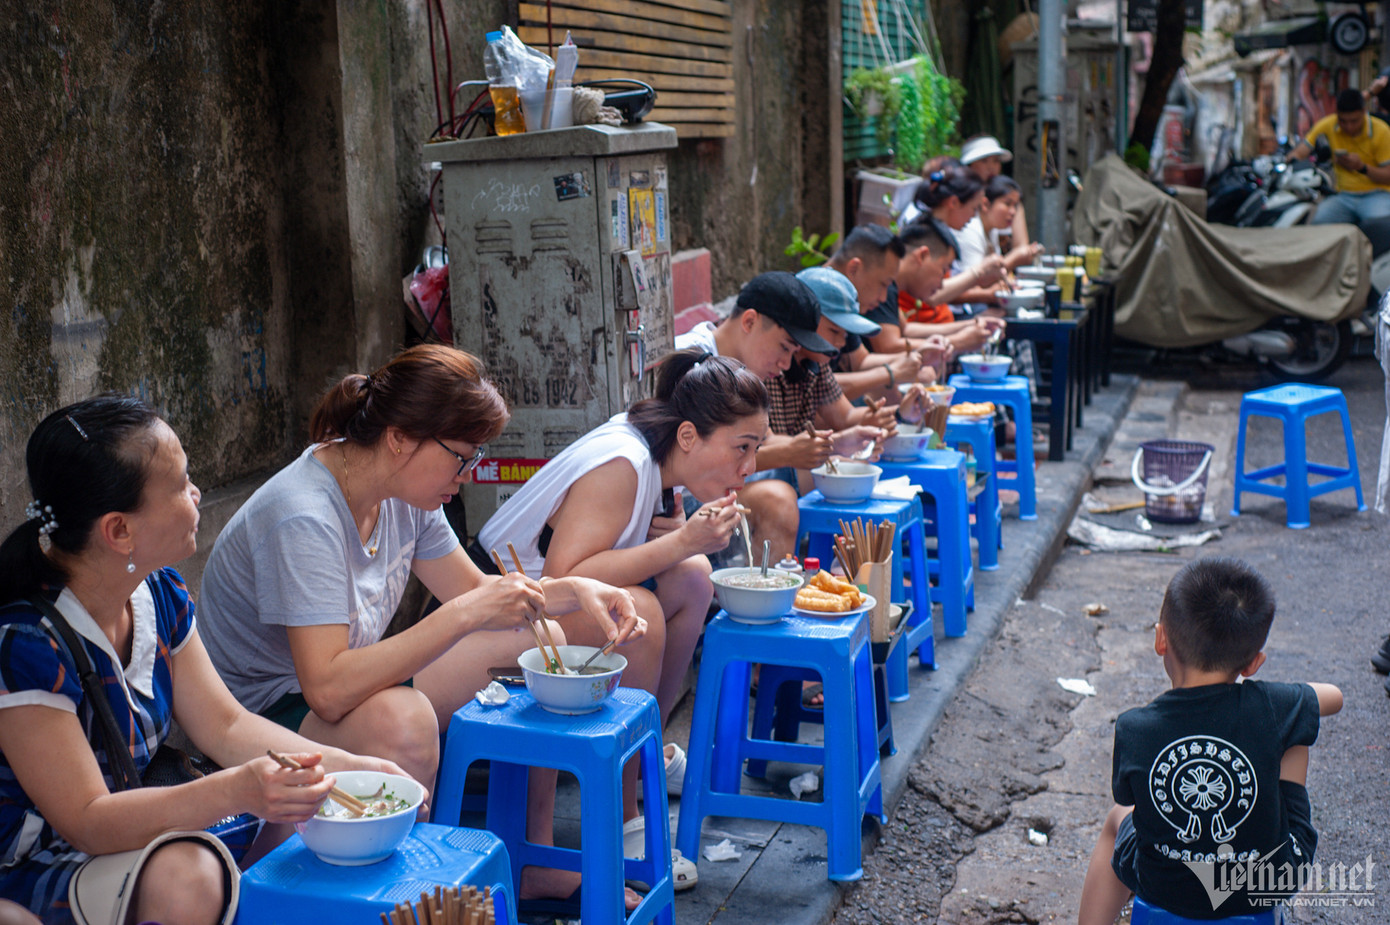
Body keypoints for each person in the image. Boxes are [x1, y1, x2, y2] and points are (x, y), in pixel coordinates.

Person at [196, 344, 644, 911]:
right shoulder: (304, 515)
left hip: (331, 691)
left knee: (548, 632)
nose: (467, 475)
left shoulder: (404, 492)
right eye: (461, 456)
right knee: (404, 724)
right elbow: (328, 689)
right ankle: (333, 893)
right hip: (263, 715)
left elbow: (479, 592)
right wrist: (462, 617)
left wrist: (576, 591)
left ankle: (531, 853)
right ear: (400, 437)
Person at [0, 395, 404, 925]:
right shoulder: (26, 643)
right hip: (36, 862)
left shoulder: (158, 591)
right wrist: (238, 790)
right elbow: (88, 820)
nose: (196, 494)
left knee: (301, 813)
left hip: (123, 836)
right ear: (119, 530)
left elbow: (227, 724)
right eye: (181, 485)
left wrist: (350, 768)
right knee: (190, 875)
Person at [477, 349, 770, 891]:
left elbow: (637, 556)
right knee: (647, 614)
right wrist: (683, 537)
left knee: (694, 576)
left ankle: (644, 746)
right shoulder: (626, 462)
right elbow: (567, 577)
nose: (748, 467)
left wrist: (683, 540)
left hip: (546, 606)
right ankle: (625, 809)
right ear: (688, 437)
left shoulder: (658, 464)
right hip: (504, 608)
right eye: (742, 448)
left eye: (755, 450)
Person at [1077, 557, 1343, 924]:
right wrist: (1278, 695)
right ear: (1253, 664)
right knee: (1295, 729)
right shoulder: (1272, 705)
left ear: (1160, 639)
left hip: (1163, 888)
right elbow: (1334, 697)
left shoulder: (1134, 728)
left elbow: (1131, 802)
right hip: (1268, 881)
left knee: (1115, 821)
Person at [864, 219, 1007, 359]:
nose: (940, 285)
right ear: (922, 256)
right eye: (943, 270)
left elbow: (907, 329)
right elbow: (889, 346)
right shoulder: (884, 284)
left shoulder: (893, 284)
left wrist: (971, 324)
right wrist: (958, 342)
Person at [1285, 87, 1390, 228]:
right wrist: (1292, 159)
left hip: (1377, 194)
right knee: (1317, 225)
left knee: (1380, 227)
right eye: (1343, 121)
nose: (1349, 127)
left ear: (1364, 113)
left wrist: (1361, 168)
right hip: (1343, 196)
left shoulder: (1381, 131)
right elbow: (1301, 151)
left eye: (1354, 121)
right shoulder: (1328, 125)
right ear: (1337, 114)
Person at [960, 135, 1031, 249]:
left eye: (996, 161)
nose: (991, 167)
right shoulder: (958, 199)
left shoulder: (1011, 199)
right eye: (984, 161)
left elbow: (1021, 246)